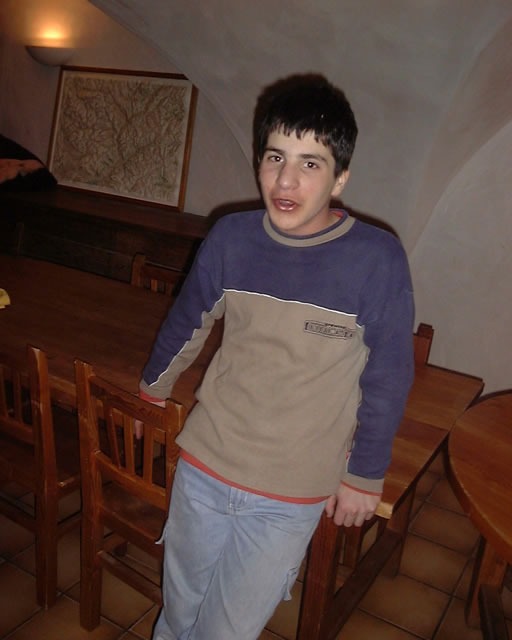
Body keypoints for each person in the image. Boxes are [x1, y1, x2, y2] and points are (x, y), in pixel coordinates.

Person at [139, 74, 415, 640]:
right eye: (274, 158)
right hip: (205, 466)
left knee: (226, 631)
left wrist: (364, 475)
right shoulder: (231, 238)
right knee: (178, 613)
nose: (286, 181)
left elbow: (388, 377)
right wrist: (151, 392)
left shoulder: (376, 259)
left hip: (290, 492)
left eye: (310, 163)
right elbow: (186, 322)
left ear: (340, 177)